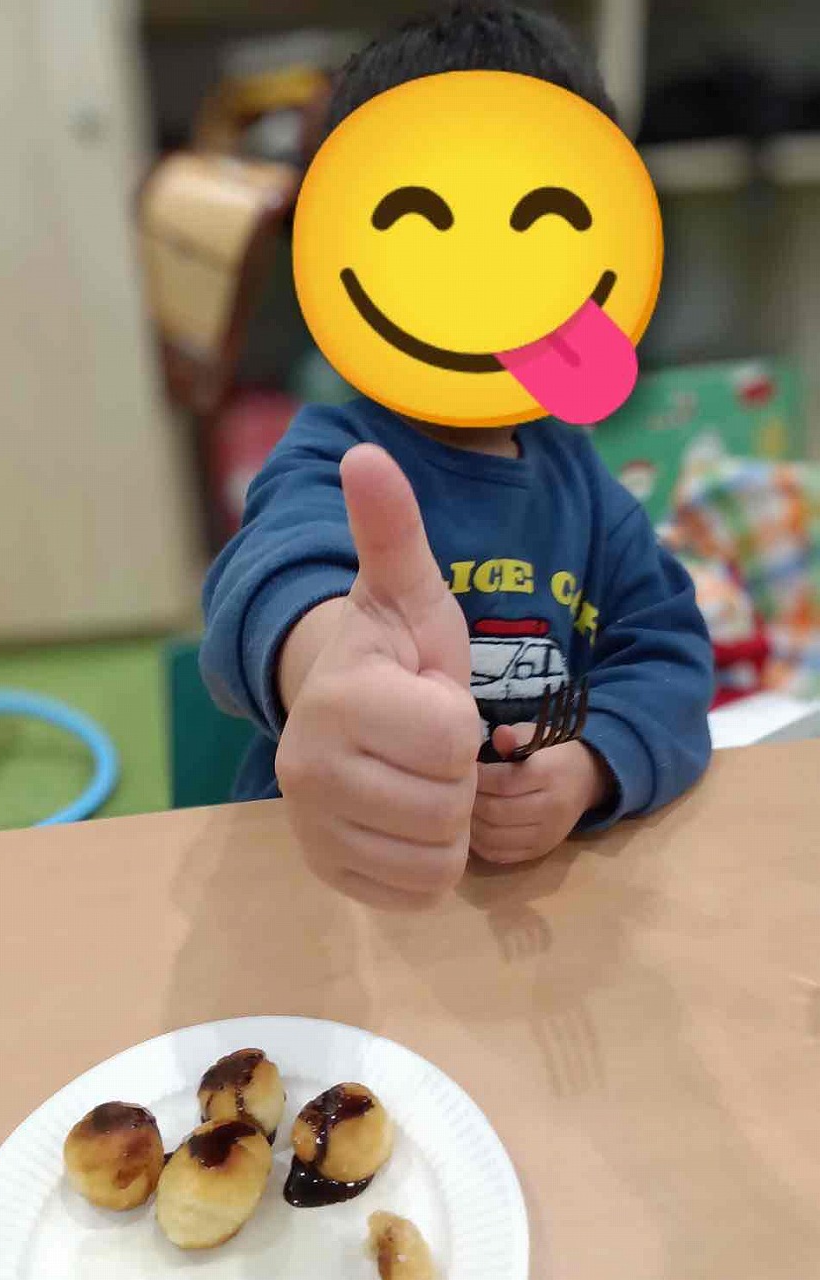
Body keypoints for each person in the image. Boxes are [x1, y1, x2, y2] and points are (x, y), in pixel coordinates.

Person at [199, 2, 713, 910]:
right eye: (420, 228)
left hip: (520, 906)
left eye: (538, 229)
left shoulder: (588, 489)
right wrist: (330, 666)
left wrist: (591, 764)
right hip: (338, 889)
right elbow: (275, 577)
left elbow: (667, 657)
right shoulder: (336, 454)